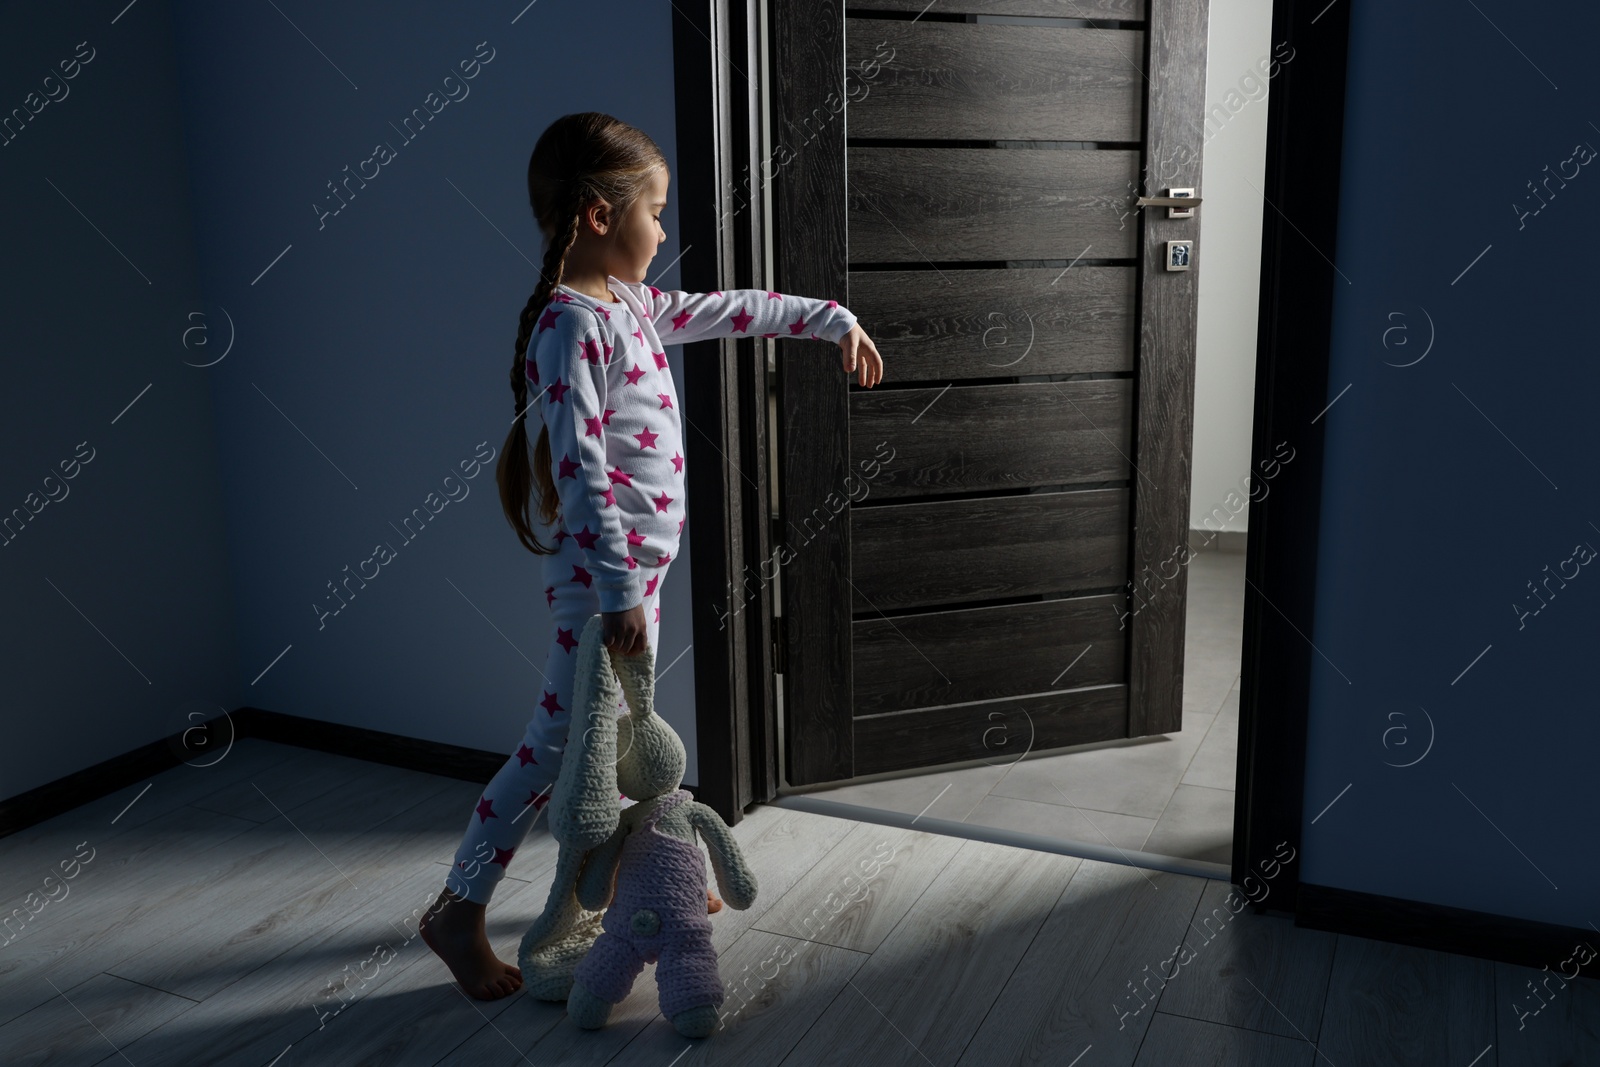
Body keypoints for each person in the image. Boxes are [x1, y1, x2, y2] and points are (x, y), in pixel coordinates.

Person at [419, 111, 884, 1000]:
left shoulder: (630, 302)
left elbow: (732, 309)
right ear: (599, 215)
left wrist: (832, 319)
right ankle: (458, 907)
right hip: (603, 586)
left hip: (634, 582)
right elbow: (581, 467)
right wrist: (623, 589)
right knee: (558, 744)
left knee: (628, 740)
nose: (664, 230)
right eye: (656, 210)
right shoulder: (569, 326)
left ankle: (651, 876)